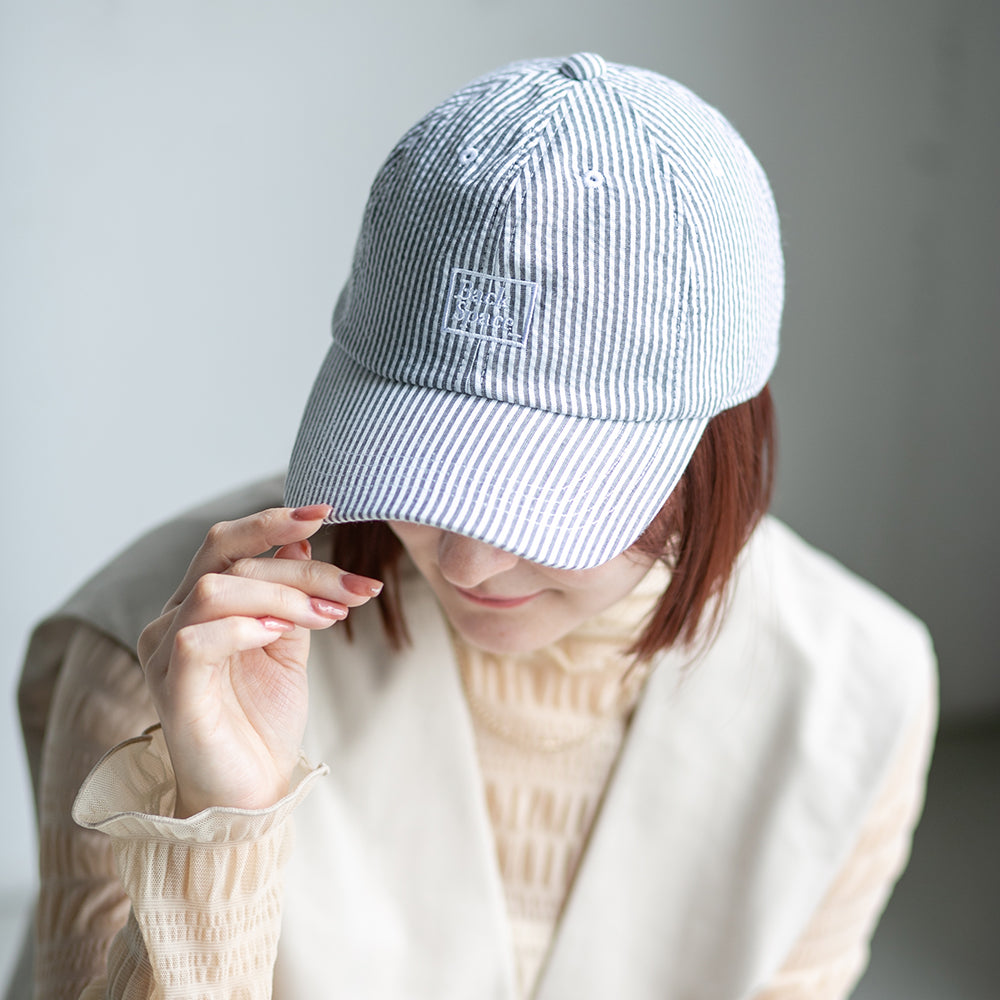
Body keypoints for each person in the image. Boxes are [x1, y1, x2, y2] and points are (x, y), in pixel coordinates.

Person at [12, 54, 936, 999]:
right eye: (417, 459)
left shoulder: (857, 698)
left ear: (716, 447)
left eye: (549, 486)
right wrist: (216, 834)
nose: (465, 558)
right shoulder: (164, 666)